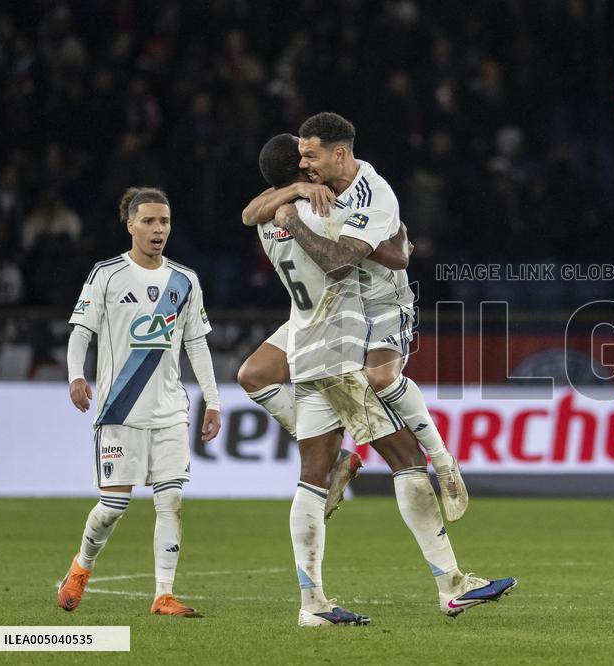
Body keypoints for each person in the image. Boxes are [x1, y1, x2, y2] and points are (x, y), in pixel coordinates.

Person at [246, 130, 515, 627]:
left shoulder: (268, 220)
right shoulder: (317, 211)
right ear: (304, 172)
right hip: (341, 356)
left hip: (305, 353)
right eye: (307, 161)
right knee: (408, 461)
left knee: (312, 479)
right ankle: (452, 586)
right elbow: (381, 255)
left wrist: (287, 199)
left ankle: (312, 606)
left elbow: (254, 209)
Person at [241, 121, 468, 523]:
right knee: (254, 374)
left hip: (381, 302)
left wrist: (347, 234)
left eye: (311, 157)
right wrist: (295, 192)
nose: (306, 165)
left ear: (338, 154)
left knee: (380, 379)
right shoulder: (309, 190)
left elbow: (397, 257)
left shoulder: (372, 192)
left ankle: (442, 460)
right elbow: (249, 213)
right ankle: (340, 455)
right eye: (302, 159)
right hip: (329, 309)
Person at [58, 187, 222, 618]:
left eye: (164, 222)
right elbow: (81, 332)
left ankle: (163, 594)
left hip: (170, 410)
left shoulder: (185, 281)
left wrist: (214, 401)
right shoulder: (106, 274)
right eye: (148, 221)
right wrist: (77, 374)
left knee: (170, 501)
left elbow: (197, 345)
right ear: (130, 224)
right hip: (119, 410)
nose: (158, 229)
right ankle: (82, 566)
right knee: (113, 507)